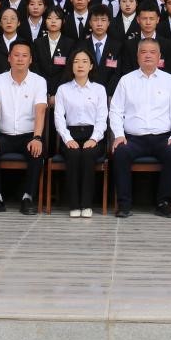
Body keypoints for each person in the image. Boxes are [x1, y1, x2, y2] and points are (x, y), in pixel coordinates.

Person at [109, 38, 171, 218]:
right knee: (120, 152)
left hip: (162, 138)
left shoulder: (169, 80)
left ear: (159, 56)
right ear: (137, 56)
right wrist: (118, 135)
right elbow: (115, 111)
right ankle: (124, 204)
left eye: (152, 52)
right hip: (133, 138)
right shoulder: (126, 80)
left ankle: (164, 203)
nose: (148, 55)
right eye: (143, 52)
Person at [0, 41, 48, 215]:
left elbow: (40, 111)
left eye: (24, 55)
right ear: (9, 58)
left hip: (28, 135)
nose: (20, 59)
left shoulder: (39, 81)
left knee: (37, 151)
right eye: (16, 55)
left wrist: (37, 138)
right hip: (4, 135)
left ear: (30, 59)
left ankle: (28, 198)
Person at [53, 50, 109, 217]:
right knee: (73, 154)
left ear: (91, 66)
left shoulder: (99, 89)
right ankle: (74, 205)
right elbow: (59, 117)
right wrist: (67, 138)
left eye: (84, 61)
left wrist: (94, 138)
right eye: (76, 61)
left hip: (94, 135)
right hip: (70, 134)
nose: (80, 65)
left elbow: (102, 118)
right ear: (71, 66)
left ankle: (86, 204)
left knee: (88, 154)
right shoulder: (63, 89)